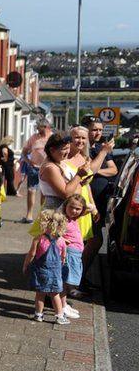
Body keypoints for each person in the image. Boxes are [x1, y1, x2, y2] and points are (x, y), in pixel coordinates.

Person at [81, 118, 119, 277]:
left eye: (100, 130)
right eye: (94, 129)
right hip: (87, 201)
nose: (98, 133)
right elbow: (86, 171)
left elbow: (113, 170)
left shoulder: (101, 148)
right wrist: (93, 169)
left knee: (91, 240)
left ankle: (80, 277)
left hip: (99, 202)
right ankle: (77, 279)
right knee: (93, 240)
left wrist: (96, 171)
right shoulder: (83, 149)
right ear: (87, 130)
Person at [22, 210, 69, 325]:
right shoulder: (62, 241)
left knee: (40, 294)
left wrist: (25, 265)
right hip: (55, 272)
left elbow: (31, 254)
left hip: (41, 271)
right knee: (55, 294)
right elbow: (63, 257)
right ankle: (59, 316)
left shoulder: (38, 239)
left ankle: (38, 314)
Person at [58, 195, 87, 319]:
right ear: (65, 206)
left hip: (75, 254)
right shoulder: (63, 219)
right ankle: (62, 306)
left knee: (67, 282)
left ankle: (63, 304)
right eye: (71, 207)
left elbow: (89, 208)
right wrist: (62, 239)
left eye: (78, 209)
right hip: (68, 254)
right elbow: (54, 232)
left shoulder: (73, 219)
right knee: (64, 281)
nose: (74, 211)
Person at [20, 120, 53, 223]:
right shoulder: (34, 137)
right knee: (31, 191)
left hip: (48, 168)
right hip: (34, 168)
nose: (37, 130)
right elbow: (24, 152)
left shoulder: (52, 138)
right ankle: (29, 215)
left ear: (46, 127)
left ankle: (42, 216)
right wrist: (28, 161)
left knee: (44, 193)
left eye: (39, 128)